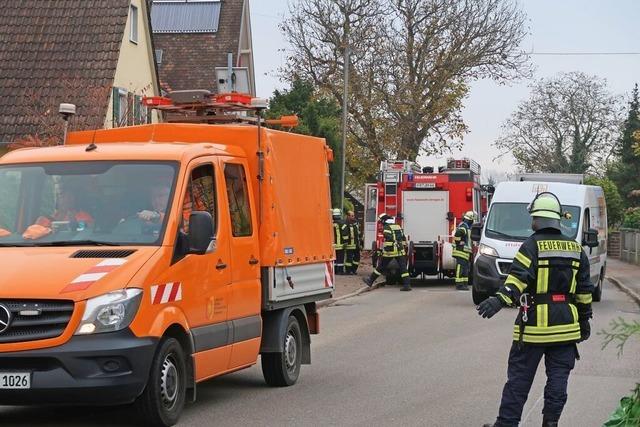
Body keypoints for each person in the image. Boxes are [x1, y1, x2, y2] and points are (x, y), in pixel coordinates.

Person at [477, 192, 593, 427]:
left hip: (534, 329)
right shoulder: (575, 248)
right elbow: (584, 290)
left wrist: (499, 300)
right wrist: (584, 320)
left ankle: (507, 424)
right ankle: (550, 423)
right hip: (566, 328)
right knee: (558, 380)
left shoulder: (530, 246)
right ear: (558, 219)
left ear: (537, 219)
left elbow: (517, 280)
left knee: (519, 381)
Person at [23, 184, 94, 240]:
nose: (65, 200)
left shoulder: (84, 217)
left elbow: (87, 235)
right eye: (61, 197)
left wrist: (73, 224)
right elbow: (31, 236)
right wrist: (46, 229)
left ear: (76, 199)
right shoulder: (46, 219)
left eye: (69, 197)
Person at [363, 213, 411, 291]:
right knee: (403, 268)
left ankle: (370, 281)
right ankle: (407, 285)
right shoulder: (397, 226)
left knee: (381, 267)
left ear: (384, 220)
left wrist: (383, 251)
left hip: (390, 252)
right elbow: (403, 238)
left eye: (381, 221)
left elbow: (388, 240)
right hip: (400, 251)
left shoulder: (386, 228)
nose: (381, 223)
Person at [453, 210, 476, 291]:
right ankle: (459, 284)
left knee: (466, 268)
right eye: (472, 220)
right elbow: (457, 234)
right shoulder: (463, 227)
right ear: (470, 220)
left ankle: (464, 284)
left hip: (465, 252)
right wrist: (459, 242)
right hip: (461, 251)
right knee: (461, 267)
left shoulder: (466, 227)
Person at [344, 210, 361, 275]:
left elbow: (358, 232)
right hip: (350, 244)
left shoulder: (356, 222)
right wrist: (345, 242)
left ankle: (354, 270)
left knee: (357, 258)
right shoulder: (345, 223)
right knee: (349, 259)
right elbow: (345, 233)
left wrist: (360, 242)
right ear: (348, 216)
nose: (353, 217)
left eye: (353, 215)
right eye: (352, 216)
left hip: (356, 244)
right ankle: (348, 271)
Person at [332, 208, 348, 275]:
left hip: (333, 245)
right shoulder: (342, 223)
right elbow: (345, 233)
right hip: (340, 245)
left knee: (335, 259)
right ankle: (340, 271)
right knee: (340, 259)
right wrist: (345, 241)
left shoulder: (330, 223)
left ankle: (335, 271)